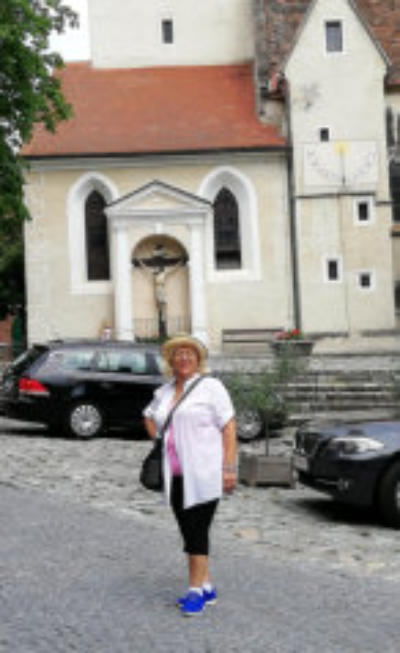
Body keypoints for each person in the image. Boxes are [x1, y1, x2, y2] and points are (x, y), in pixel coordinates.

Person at [143, 333, 237, 616]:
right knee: (188, 530)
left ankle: (195, 591)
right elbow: (148, 415)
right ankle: (206, 586)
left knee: (197, 530)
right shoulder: (164, 391)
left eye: (189, 353)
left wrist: (229, 468)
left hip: (204, 472)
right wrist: (160, 439)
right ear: (171, 360)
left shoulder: (211, 387)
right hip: (174, 475)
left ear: (198, 359)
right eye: (178, 353)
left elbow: (229, 427)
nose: (184, 358)